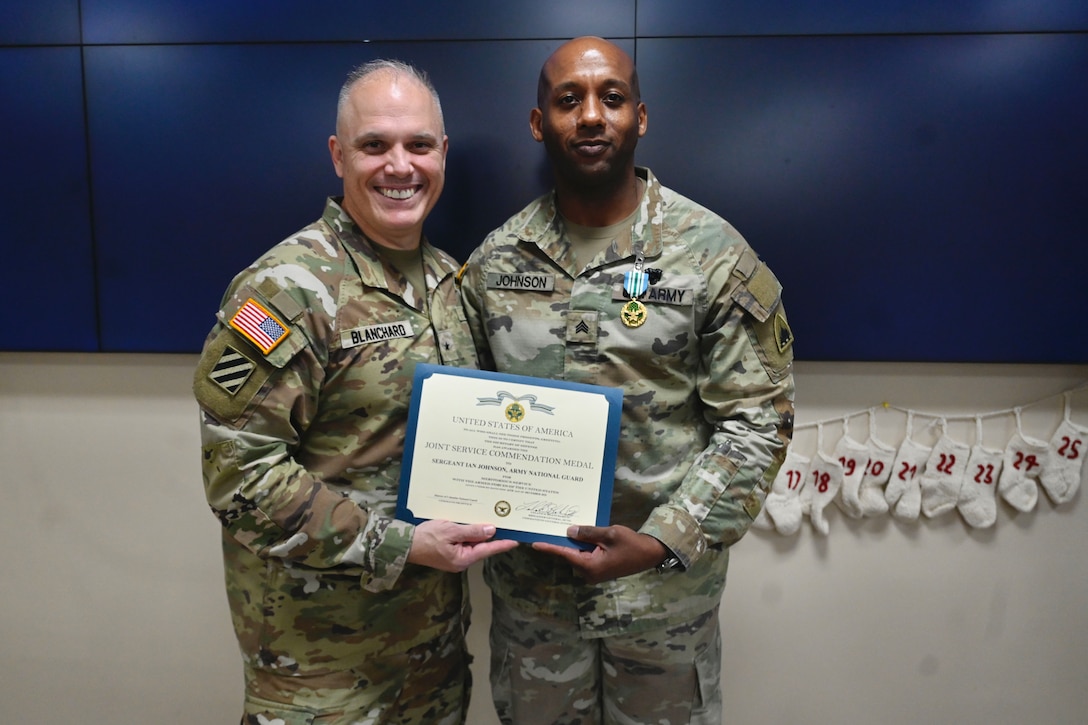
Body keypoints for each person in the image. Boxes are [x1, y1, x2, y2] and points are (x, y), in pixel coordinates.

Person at [460, 37, 796, 724]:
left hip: (662, 607)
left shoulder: (712, 254)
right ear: (538, 123)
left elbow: (758, 421)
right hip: (535, 610)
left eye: (611, 98)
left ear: (640, 117)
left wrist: (665, 536)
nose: (590, 116)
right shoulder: (495, 261)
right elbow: (461, 413)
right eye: (568, 100)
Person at [193, 59, 516, 725]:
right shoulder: (287, 289)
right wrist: (399, 545)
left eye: (418, 144)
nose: (400, 165)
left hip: (431, 663)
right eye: (376, 145)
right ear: (339, 156)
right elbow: (239, 477)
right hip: (319, 677)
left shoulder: (450, 283)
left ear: (442, 154)